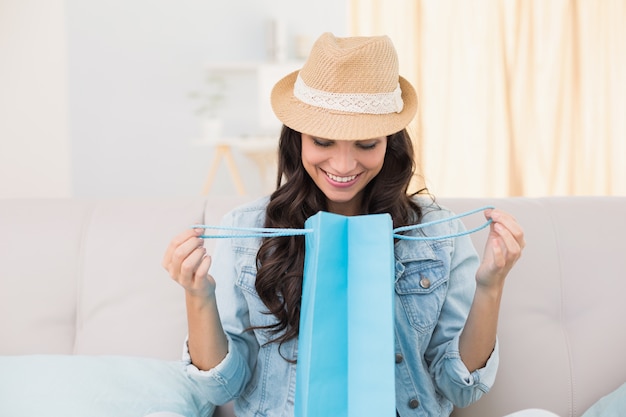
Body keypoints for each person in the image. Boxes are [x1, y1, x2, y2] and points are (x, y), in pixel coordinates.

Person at [162, 33, 548, 417]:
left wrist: (490, 285)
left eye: (366, 144)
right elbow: (221, 387)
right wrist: (198, 295)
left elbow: (459, 387)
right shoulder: (248, 231)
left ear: (390, 143)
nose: (344, 166)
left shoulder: (436, 233)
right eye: (324, 142)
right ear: (297, 140)